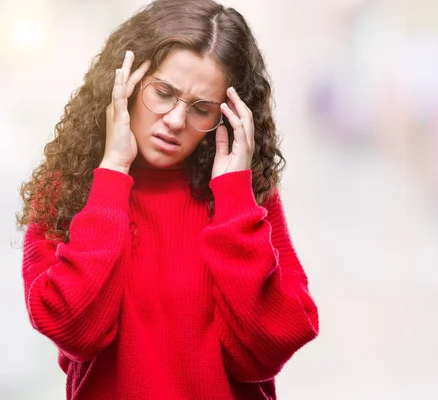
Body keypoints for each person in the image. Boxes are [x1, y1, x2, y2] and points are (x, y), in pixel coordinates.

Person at [16, 0, 319, 398]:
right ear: (125, 82)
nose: (176, 121)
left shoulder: (243, 197)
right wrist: (111, 175)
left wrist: (235, 199)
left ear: (225, 117)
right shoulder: (71, 187)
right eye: (163, 93)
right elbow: (75, 331)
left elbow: (264, 351)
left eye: (200, 108)